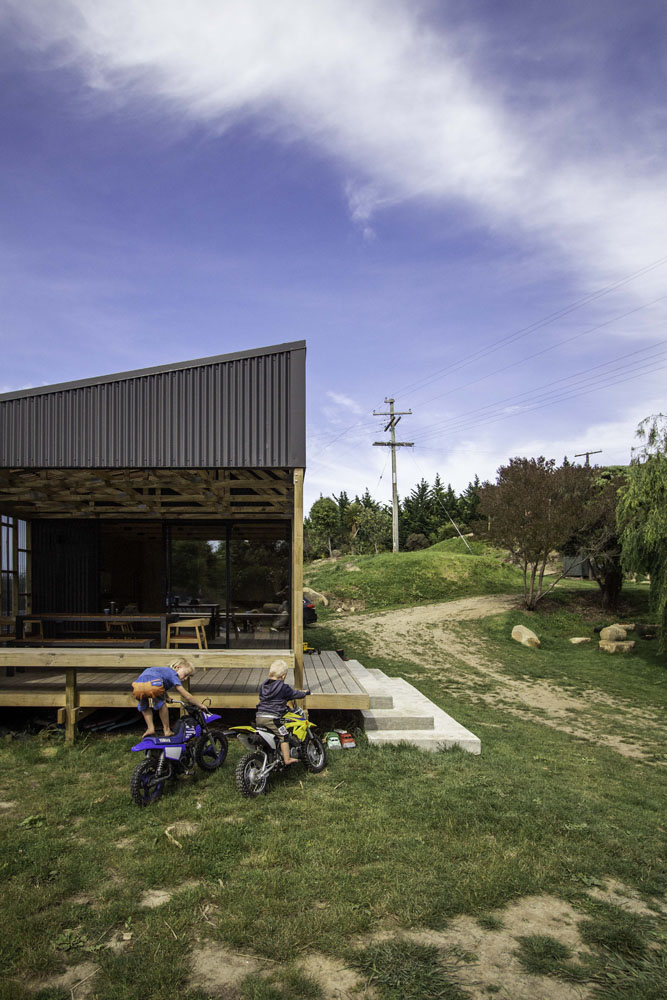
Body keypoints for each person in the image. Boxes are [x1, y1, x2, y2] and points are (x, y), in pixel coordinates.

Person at [132, 657, 207, 737]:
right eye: (185, 675)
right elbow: (186, 695)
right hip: (153, 684)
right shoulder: (173, 673)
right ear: (178, 667)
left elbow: (161, 686)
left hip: (138, 685)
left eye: (188, 677)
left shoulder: (162, 671)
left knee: (144, 706)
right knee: (162, 705)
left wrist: (167, 697)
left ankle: (150, 728)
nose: (185, 678)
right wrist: (200, 705)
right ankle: (167, 730)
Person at [256, 658, 310, 765]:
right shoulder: (283, 687)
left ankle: (273, 753)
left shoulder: (263, 686)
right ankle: (287, 759)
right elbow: (294, 694)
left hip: (259, 716)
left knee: (274, 734)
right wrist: (304, 693)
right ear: (284, 676)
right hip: (273, 718)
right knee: (284, 736)